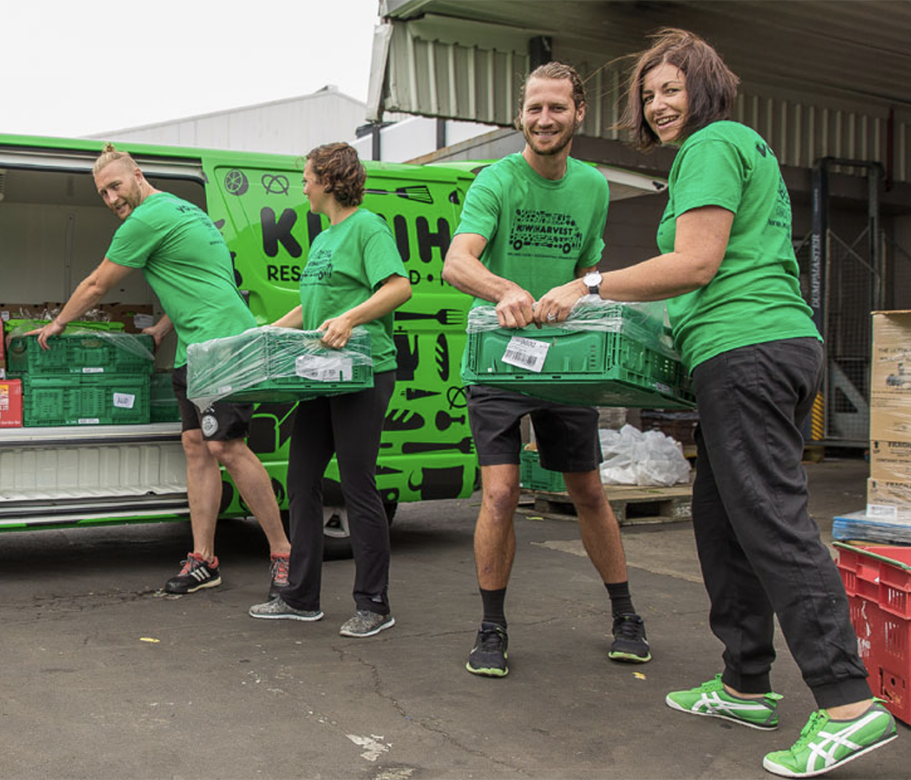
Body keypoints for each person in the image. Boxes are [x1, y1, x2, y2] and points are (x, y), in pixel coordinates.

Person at [534, 29, 896, 777]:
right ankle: (745, 683)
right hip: (762, 347)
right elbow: (712, 270)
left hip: (748, 348)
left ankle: (847, 703)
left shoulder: (711, 144)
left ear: (704, 88)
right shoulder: (740, 148)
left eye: (671, 89)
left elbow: (695, 263)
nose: (658, 105)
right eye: (649, 95)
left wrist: (589, 285)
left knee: (770, 519)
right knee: (722, 520)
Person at [441, 62, 652, 678]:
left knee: (587, 490)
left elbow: (588, 271)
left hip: (564, 361)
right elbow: (457, 263)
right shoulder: (496, 181)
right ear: (520, 115)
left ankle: (626, 615)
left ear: (578, 113)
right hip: (499, 358)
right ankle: (491, 627)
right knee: (501, 493)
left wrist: (584, 297)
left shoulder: (592, 187)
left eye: (556, 107)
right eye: (534, 107)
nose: (544, 118)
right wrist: (503, 289)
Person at [34, 144, 292, 596]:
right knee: (196, 446)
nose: (111, 198)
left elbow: (97, 284)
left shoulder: (147, 219)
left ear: (137, 174)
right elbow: (197, 280)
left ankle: (284, 554)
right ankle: (204, 560)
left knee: (226, 446)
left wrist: (59, 322)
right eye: (103, 193)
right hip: (195, 349)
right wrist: (161, 328)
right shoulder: (184, 210)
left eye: (115, 186)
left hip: (224, 345)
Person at [246, 142, 411, 637]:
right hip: (320, 373)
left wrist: (351, 318)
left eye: (307, 178)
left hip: (363, 371)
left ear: (329, 181)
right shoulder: (322, 239)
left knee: (357, 484)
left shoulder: (367, 227)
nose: (303, 187)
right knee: (301, 481)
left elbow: (397, 287)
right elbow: (314, 307)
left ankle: (374, 604)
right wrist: (269, 331)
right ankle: (300, 597)